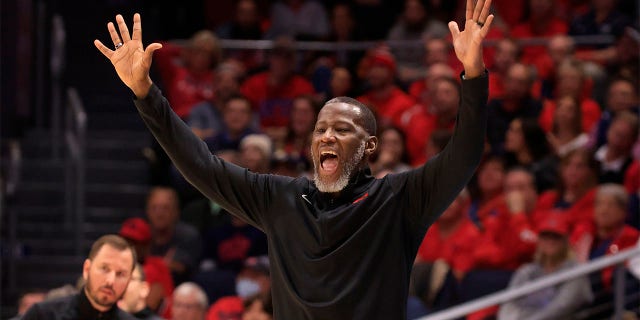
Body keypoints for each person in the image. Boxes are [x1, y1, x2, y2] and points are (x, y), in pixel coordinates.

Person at [94, 0, 494, 317]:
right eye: (320, 130)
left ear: (370, 145)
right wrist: (146, 93)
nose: (327, 137)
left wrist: (473, 75)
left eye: (341, 129)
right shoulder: (280, 199)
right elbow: (201, 165)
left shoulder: (399, 200)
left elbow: (464, 155)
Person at [497, 217, 594, 320]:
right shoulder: (527, 271)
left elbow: (561, 307)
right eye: (546, 237)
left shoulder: (575, 272)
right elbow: (509, 303)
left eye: (556, 237)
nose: (550, 241)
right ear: (539, 240)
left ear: (565, 240)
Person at [22, 235, 137, 319]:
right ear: (87, 269)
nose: (110, 281)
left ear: (129, 280)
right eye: (104, 268)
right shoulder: (44, 315)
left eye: (121, 274)